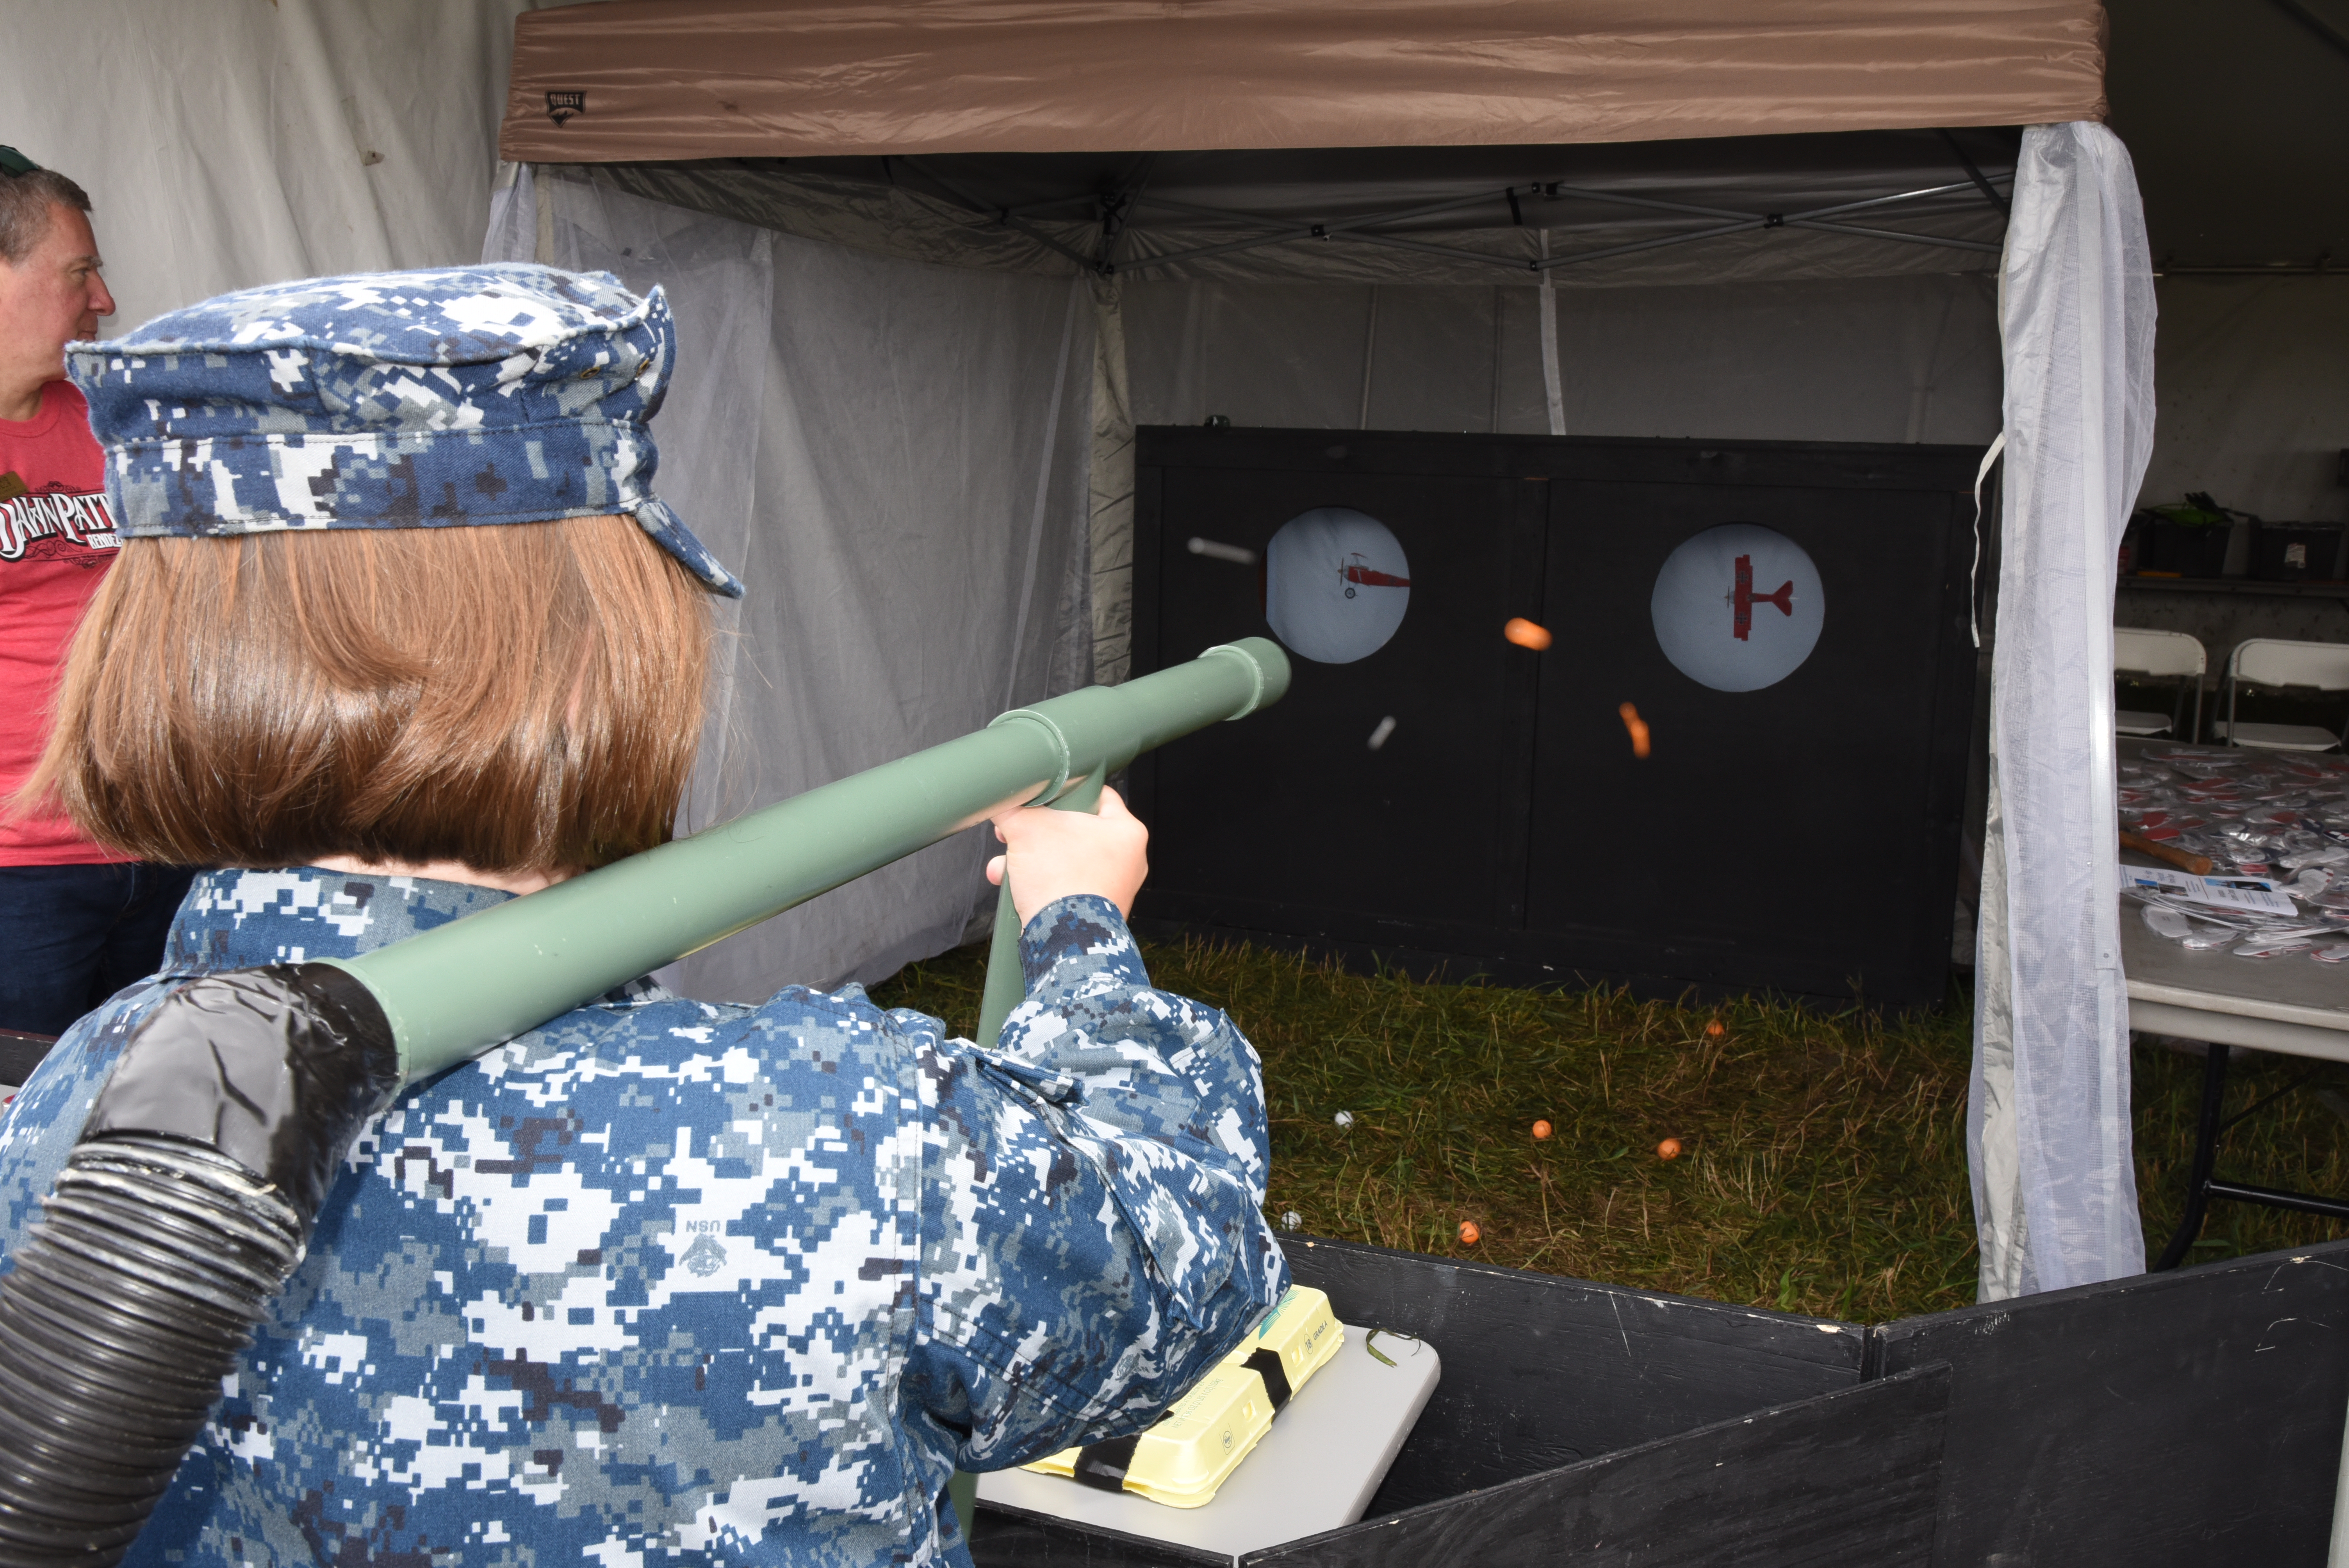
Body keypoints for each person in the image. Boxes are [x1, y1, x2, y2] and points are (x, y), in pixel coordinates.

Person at [0, 264, 1286, 1566]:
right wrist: (1080, 933)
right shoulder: (842, 1135)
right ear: (581, 662)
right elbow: (1189, 1253)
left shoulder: (62, 1111)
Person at [0, 146, 195, 1037]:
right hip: (18, 873)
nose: (105, 299)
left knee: (145, 1115)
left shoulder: (114, 423)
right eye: (79, 271)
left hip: (158, 841)